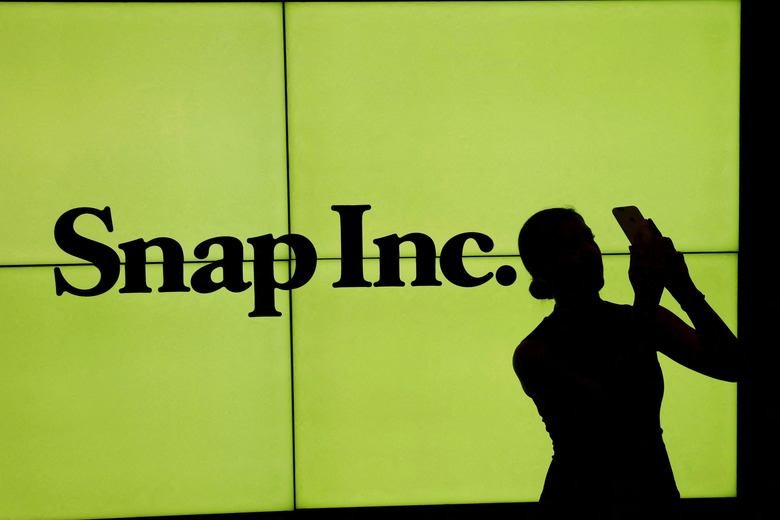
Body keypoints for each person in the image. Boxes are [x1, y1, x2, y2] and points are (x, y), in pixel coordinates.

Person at [512, 207, 741, 520]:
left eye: (588, 239)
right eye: (569, 246)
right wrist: (649, 300)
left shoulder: (638, 320)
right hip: (591, 503)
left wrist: (682, 288)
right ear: (543, 268)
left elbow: (733, 366)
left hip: (621, 496)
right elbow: (614, 415)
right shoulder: (535, 353)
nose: (589, 252)